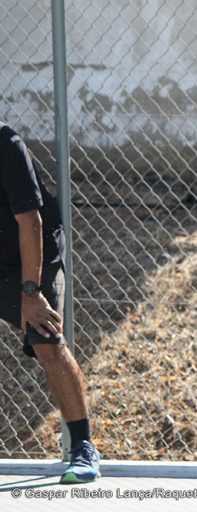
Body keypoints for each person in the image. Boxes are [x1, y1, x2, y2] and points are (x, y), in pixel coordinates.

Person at [0, 122, 100, 484]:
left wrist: (31, 294)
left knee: (48, 342)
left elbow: (31, 222)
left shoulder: (5, 142)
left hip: (29, 258)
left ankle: (83, 447)